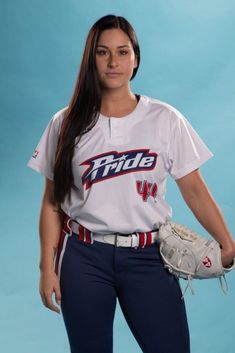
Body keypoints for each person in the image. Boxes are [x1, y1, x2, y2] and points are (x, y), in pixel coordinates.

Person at [27, 14, 235, 353]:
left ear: (136, 58)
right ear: (90, 58)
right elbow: (51, 202)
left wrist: (227, 242)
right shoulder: (65, 123)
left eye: (123, 52)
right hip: (83, 257)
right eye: (102, 52)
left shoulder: (165, 119)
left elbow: (194, 188)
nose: (113, 62)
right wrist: (45, 269)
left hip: (149, 256)